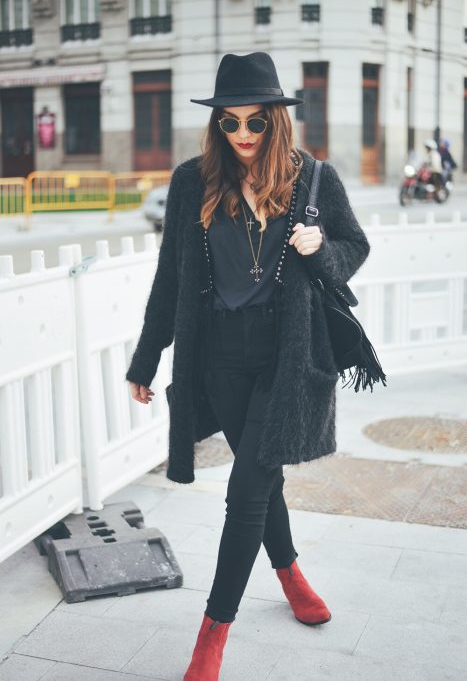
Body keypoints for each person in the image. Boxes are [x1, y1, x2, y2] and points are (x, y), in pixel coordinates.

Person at [125, 52, 371, 681]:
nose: (241, 135)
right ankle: (289, 573)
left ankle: (212, 636)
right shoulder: (192, 182)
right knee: (263, 483)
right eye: (229, 122)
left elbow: (354, 245)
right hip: (218, 360)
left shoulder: (313, 179)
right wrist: (147, 358)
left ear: (276, 122)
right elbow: (170, 279)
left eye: (255, 122)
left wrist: (323, 248)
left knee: (244, 492)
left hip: (286, 360)